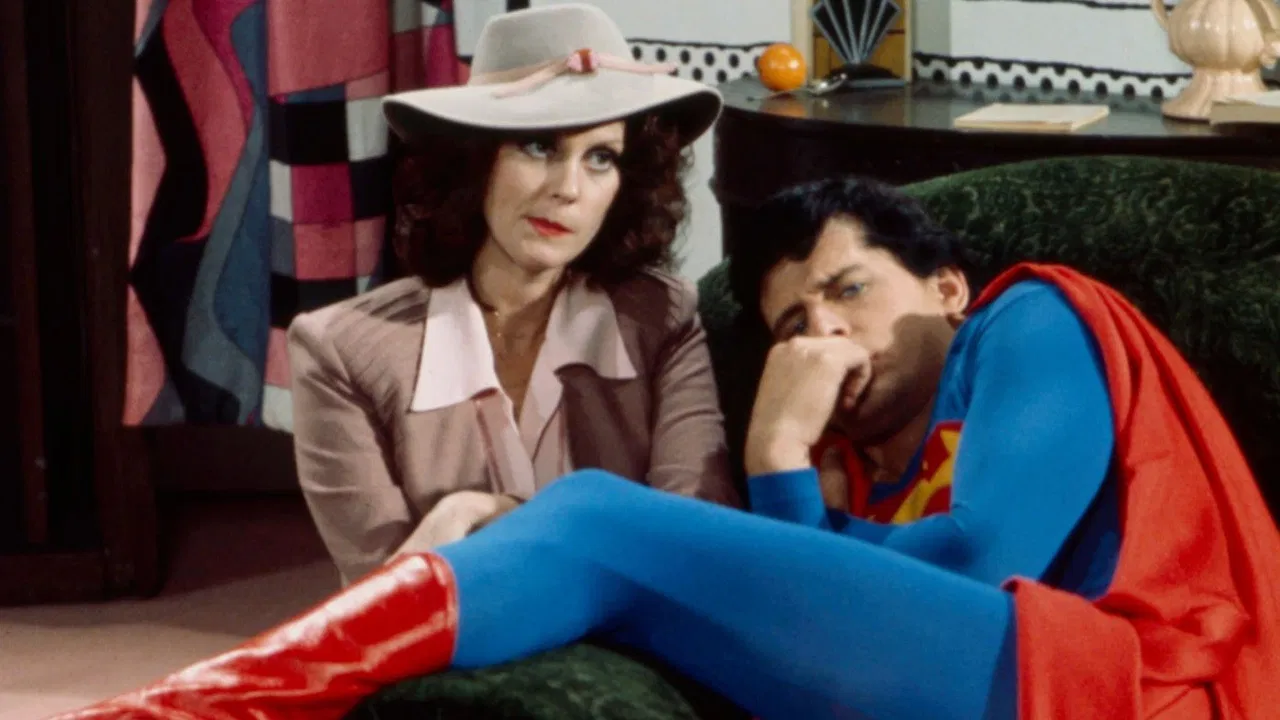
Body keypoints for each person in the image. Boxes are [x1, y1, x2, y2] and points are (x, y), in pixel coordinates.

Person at [52, 165, 1280, 718]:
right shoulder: (860, 465)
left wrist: (776, 458)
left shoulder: (1031, 318)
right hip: (972, 687)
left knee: (593, 513)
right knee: (566, 536)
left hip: (1114, 687)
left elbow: (976, 564)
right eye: (792, 321)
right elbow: (829, 615)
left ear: (946, 287)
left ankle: (184, 712)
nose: (820, 334)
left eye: (848, 291)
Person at [286, 4, 739, 586]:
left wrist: (478, 519)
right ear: (475, 161)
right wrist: (458, 513)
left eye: (601, 158)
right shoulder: (339, 353)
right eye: (539, 146)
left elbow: (696, 548)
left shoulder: (665, 319)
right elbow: (381, 605)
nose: (568, 189)